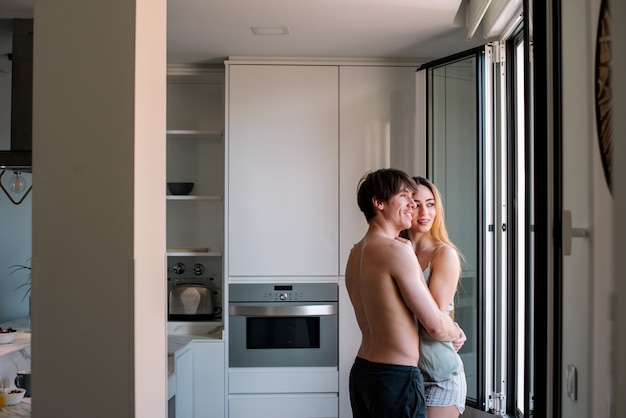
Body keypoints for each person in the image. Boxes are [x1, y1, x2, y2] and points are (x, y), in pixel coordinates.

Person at [345, 168, 464, 418]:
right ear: (378, 203)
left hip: (363, 373)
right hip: (395, 376)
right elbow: (435, 326)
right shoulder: (398, 251)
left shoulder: (355, 253)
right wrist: (456, 331)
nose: (413, 205)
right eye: (405, 197)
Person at [404, 176, 467, 418]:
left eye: (430, 204)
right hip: (406, 373)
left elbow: (432, 322)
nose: (424, 211)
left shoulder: (444, 254)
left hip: (441, 376)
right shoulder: (398, 250)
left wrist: (451, 330)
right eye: (416, 203)